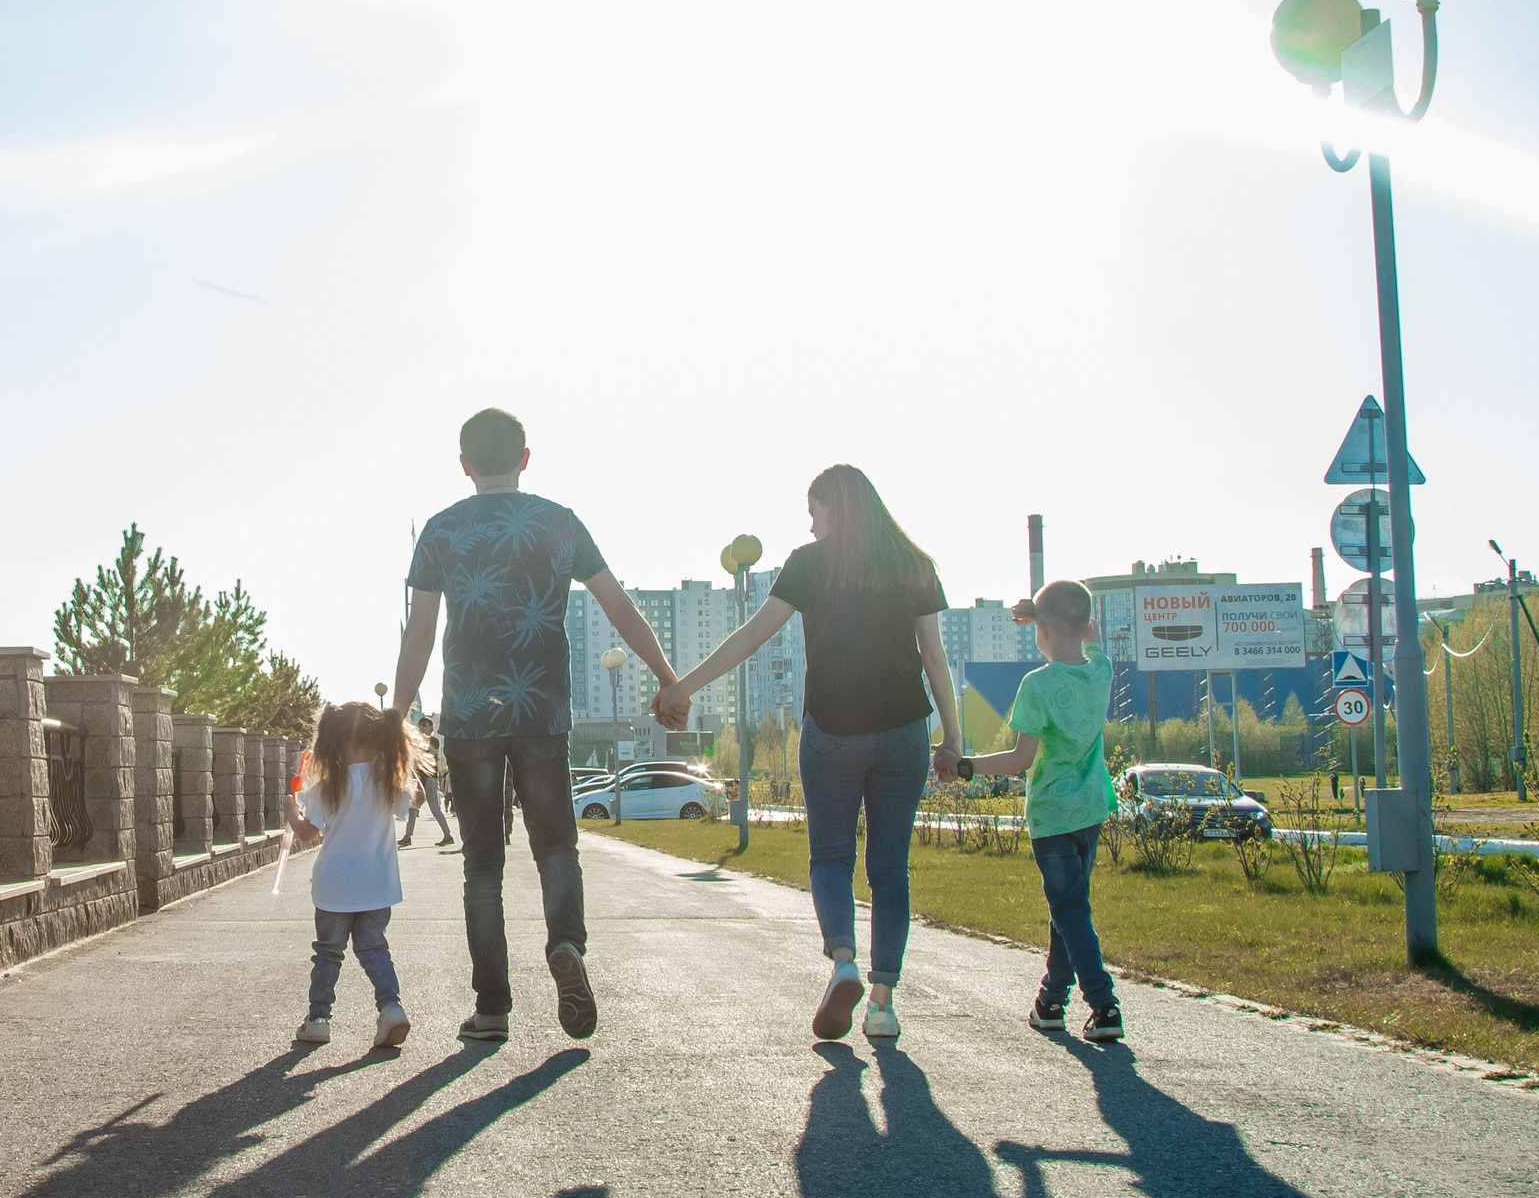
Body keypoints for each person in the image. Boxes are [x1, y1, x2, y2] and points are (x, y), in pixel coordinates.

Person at [391, 407, 682, 1044]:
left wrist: (397, 714)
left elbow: (419, 635)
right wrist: (665, 676)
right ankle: (567, 946)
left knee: (482, 867)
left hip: (468, 716)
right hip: (543, 711)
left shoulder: (441, 531)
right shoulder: (560, 523)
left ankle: (492, 1008)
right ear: (526, 458)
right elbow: (618, 606)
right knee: (556, 847)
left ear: (464, 465)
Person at [657, 464, 963, 1044]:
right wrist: (953, 737)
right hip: (904, 732)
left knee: (829, 858)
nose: (812, 523)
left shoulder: (810, 562)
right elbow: (934, 655)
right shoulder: (913, 563)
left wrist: (685, 687)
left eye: (814, 511)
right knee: (891, 867)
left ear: (833, 508)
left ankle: (843, 960)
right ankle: (882, 1003)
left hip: (833, 730)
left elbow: (752, 635)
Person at [938, 582, 1124, 1043]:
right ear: (1081, 629)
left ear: (1039, 629)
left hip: (1052, 817)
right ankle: (1050, 1002)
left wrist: (964, 767)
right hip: (1092, 810)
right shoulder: (1100, 669)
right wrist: (1039, 610)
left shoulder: (1037, 685)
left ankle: (1104, 1006)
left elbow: (1021, 759)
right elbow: (1091, 625)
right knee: (1068, 908)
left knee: (1070, 909)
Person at [288, 701, 420, 1049]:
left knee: (328, 953)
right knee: (374, 948)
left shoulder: (326, 787)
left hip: (334, 886)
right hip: (377, 884)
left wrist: (291, 810)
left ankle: (318, 1019)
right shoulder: (388, 782)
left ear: (333, 742)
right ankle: (391, 1007)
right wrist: (401, 763)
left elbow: (306, 833)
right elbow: (415, 800)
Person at [399, 739, 454, 848]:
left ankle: (447, 834)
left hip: (429, 780)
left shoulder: (432, 742)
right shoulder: (420, 742)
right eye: (421, 723)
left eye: (425, 724)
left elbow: (429, 759)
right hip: (421, 780)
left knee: (434, 809)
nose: (422, 725)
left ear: (430, 728)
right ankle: (408, 836)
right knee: (413, 808)